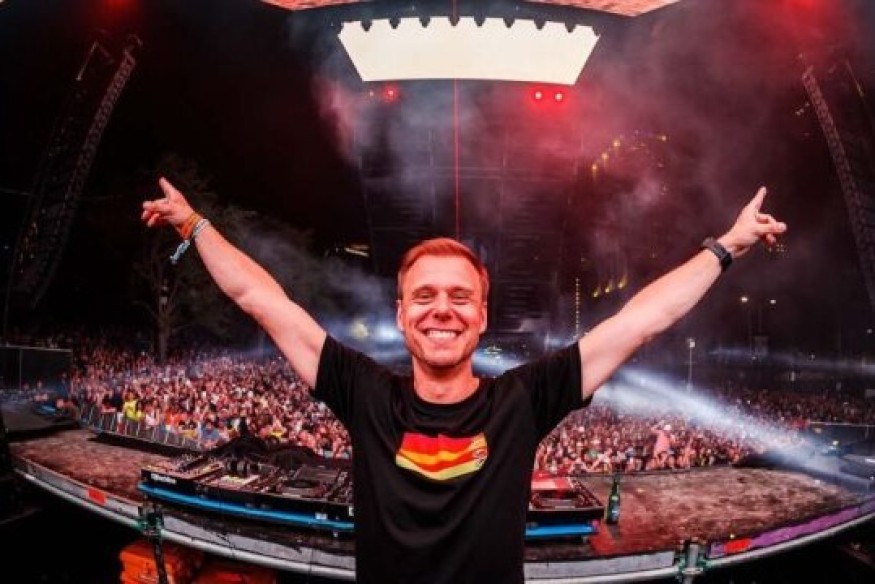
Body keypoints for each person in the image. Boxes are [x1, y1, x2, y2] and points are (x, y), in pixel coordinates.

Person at [142, 177, 786, 583]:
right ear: (402, 315)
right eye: (424, 296)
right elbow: (261, 299)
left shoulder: (524, 398)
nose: (442, 309)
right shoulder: (364, 392)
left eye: (460, 296)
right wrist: (193, 226)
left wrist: (726, 246)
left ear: (481, 316)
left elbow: (640, 322)